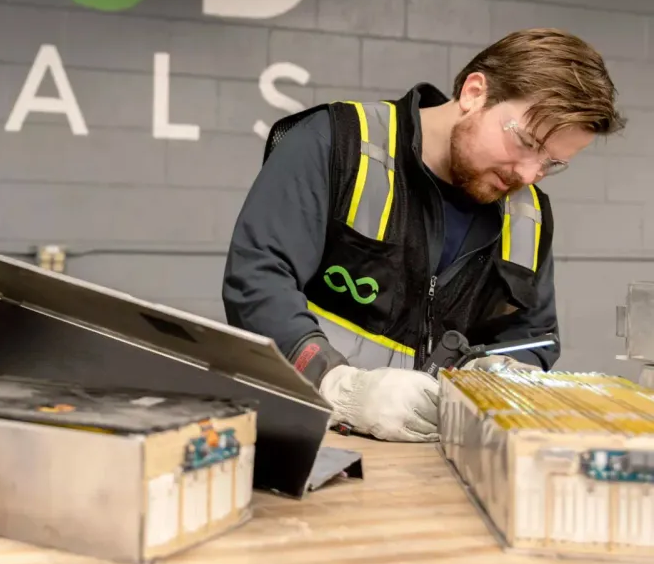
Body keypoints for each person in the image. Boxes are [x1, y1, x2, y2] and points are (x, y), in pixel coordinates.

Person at [222, 28, 624, 443]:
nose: (527, 175)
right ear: (474, 93)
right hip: (309, 433)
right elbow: (259, 278)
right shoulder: (336, 142)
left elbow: (533, 338)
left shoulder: (530, 215)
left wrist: (501, 379)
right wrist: (336, 386)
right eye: (525, 141)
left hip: (433, 461)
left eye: (551, 163)